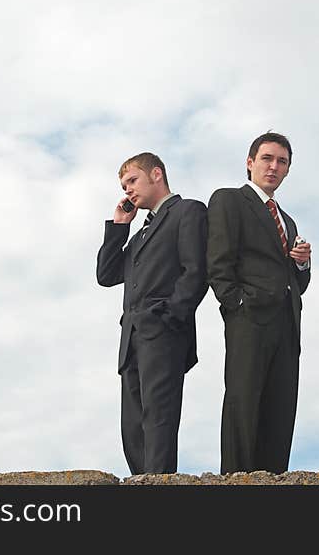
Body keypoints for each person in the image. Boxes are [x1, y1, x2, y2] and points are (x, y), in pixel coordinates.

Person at [207, 132, 312, 474]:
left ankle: (274, 480)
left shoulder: (288, 220)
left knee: (280, 409)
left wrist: (301, 263)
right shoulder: (228, 200)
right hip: (248, 318)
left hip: (286, 322)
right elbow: (219, 261)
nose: (274, 166)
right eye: (267, 158)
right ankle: (236, 480)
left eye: (282, 162)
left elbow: (299, 283)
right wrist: (236, 303)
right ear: (250, 163)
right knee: (243, 403)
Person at [96, 152, 208, 475]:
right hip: (130, 339)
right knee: (132, 426)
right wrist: (119, 227)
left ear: (156, 174)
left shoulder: (187, 211)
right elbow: (106, 274)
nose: (128, 190)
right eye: (124, 185)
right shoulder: (140, 234)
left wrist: (170, 317)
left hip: (163, 333)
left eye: (132, 181)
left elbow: (195, 272)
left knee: (158, 420)